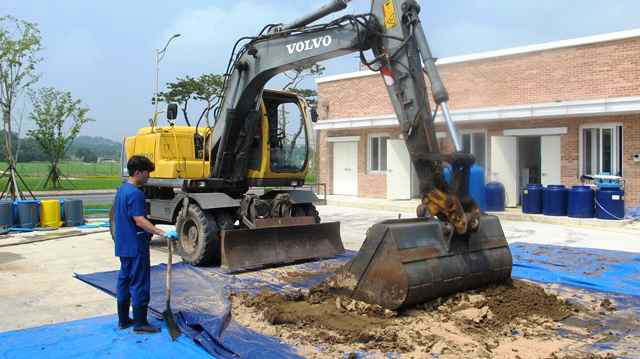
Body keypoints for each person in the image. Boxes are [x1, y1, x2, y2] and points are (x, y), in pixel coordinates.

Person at [113, 155, 176, 333]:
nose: (149, 176)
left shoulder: (122, 190)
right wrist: (163, 232)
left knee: (124, 280)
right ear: (138, 172)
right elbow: (140, 220)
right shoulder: (135, 193)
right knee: (139, 282)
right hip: (135, 245)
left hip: (123, 244)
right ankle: (140, 323)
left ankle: (124, 320)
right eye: (147, 172)